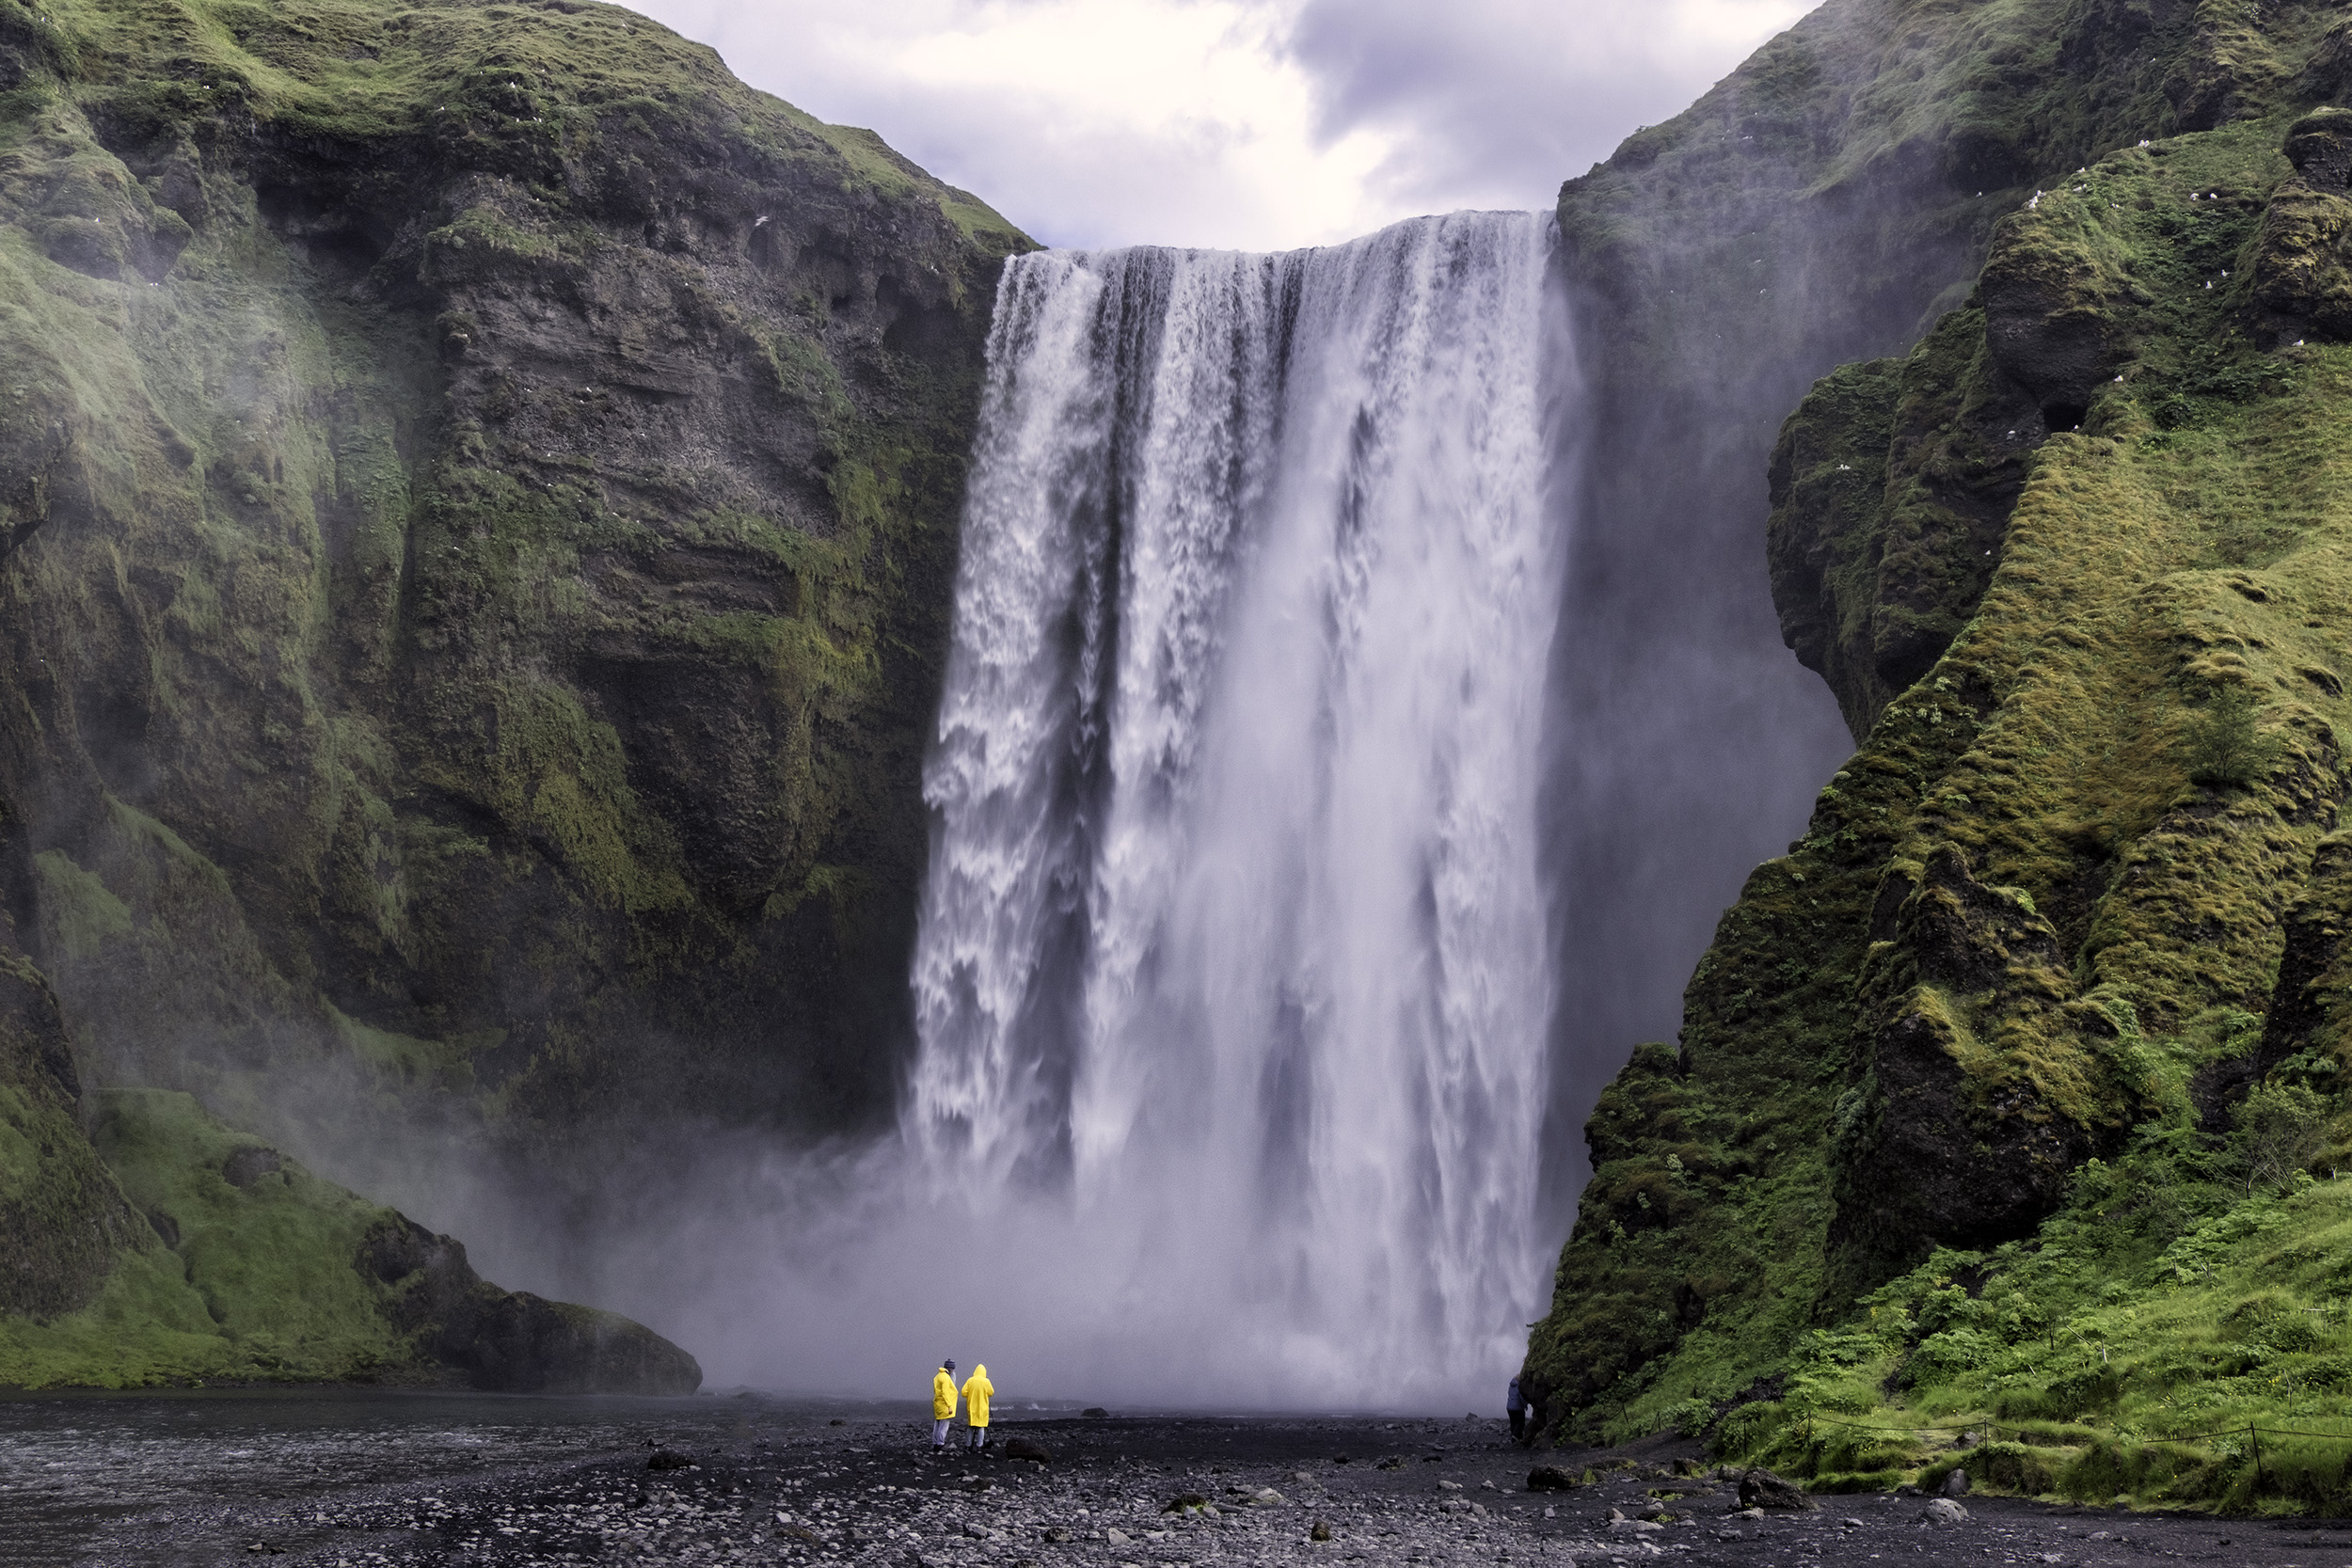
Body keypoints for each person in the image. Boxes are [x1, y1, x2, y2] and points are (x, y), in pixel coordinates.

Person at [961, 1362, 994, 1454]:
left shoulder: (970, 1380)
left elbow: (963, 1392)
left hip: (972, 1407)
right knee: (981, 1427)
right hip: (982, 1408)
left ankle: (968, 1445)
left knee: (971, 1427)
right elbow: (991, 1392)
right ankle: (979, 1446)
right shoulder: (986, 1381)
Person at [931, 1359, 959, 1452]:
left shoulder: (937, 1376)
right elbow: (945, 1393)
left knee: (937, 1425)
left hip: (938, 1404)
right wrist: (949, 1406)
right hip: (944, 1405)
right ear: (951, 1369)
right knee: (944, 1426)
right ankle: (940, 1444)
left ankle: (935, 1443)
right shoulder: (946, 1378)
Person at [1507, 1375, 1527, 1443]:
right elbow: (1521, 1397)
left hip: (1509, 1407)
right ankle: (1515, 1436)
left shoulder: (1510, 1386)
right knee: (1521, 1422)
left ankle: (1515, 1437)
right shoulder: (1519, 1386)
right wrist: (1525, 1405)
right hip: (1518, 1407)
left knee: (1513, 1422)